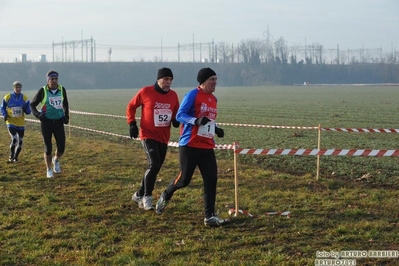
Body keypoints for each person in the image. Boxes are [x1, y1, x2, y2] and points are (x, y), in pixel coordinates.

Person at [155, 67, 229, 227]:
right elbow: (180, 115)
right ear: (203, 82)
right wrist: (195, 121)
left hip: (207, 146)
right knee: (184, 179)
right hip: (189, 145)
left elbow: (208, 120)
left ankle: (209, 216)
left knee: (211, 180)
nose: (215, 83)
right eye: (212, 80)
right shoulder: (192, 95)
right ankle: (166, 193)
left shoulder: (214, 99)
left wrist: (216, 129)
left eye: (216, 79)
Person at [126, 67, 180, 210]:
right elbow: (131, 106)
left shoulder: (173, 95)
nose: (169, 82)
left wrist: (175, 120)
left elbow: (176, 112)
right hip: (148, 135)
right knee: (154, 164)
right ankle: (146, 197)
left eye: (171, 80)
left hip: (163, 137)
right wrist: (132, 124)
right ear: (158, 80)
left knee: (155, 168)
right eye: (166, 79)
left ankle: (138, 194)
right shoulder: (146, 91)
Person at [30, 70, 69, 178]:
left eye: (56, 79)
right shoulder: (43, 91)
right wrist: (38, 115)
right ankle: (49, 169)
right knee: (48, 148)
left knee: (61, 148)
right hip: (46, 123)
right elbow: (32, 105)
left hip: (58, 122)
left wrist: (66, 116)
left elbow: (65, 103)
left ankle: (55, 159)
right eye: (52, 79)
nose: (54, 81)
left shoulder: (62, 89)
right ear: (48, 80)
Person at [1, 81, 32, 163]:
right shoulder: (8, 97)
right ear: (13, 88)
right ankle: (11, 155)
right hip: (10, 122)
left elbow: (28, 110)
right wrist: (5, 114)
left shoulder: (24, 98)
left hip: (21, 123)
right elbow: (2, 107)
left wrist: (27, 110)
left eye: (19, 87)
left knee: (21, 141)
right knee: (14, 139)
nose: (18, 89)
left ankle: (16, 157)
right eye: (16, 87)